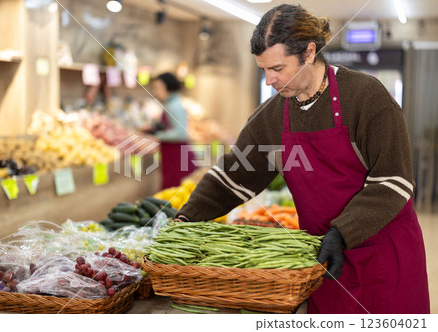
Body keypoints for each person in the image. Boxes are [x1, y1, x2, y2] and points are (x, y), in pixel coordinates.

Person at [175, 4, 430, 314]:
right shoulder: (272, 116)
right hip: (321, 256)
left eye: (278, 68)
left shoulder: (367, 97)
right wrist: (186, 217)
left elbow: (394, 181)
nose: (269, 80)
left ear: (309, 53)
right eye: (263, 69)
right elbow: (235, 174)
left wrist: (342, 232)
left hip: (382, 254)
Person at [151, 72, 196, 189]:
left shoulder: (173, 105)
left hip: (177, 157)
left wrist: (157, 135)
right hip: (173, 155)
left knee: (174, 191)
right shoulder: (171, 103)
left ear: (167, 87)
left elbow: (181, 133)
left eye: (158, 87)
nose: (155, 92)